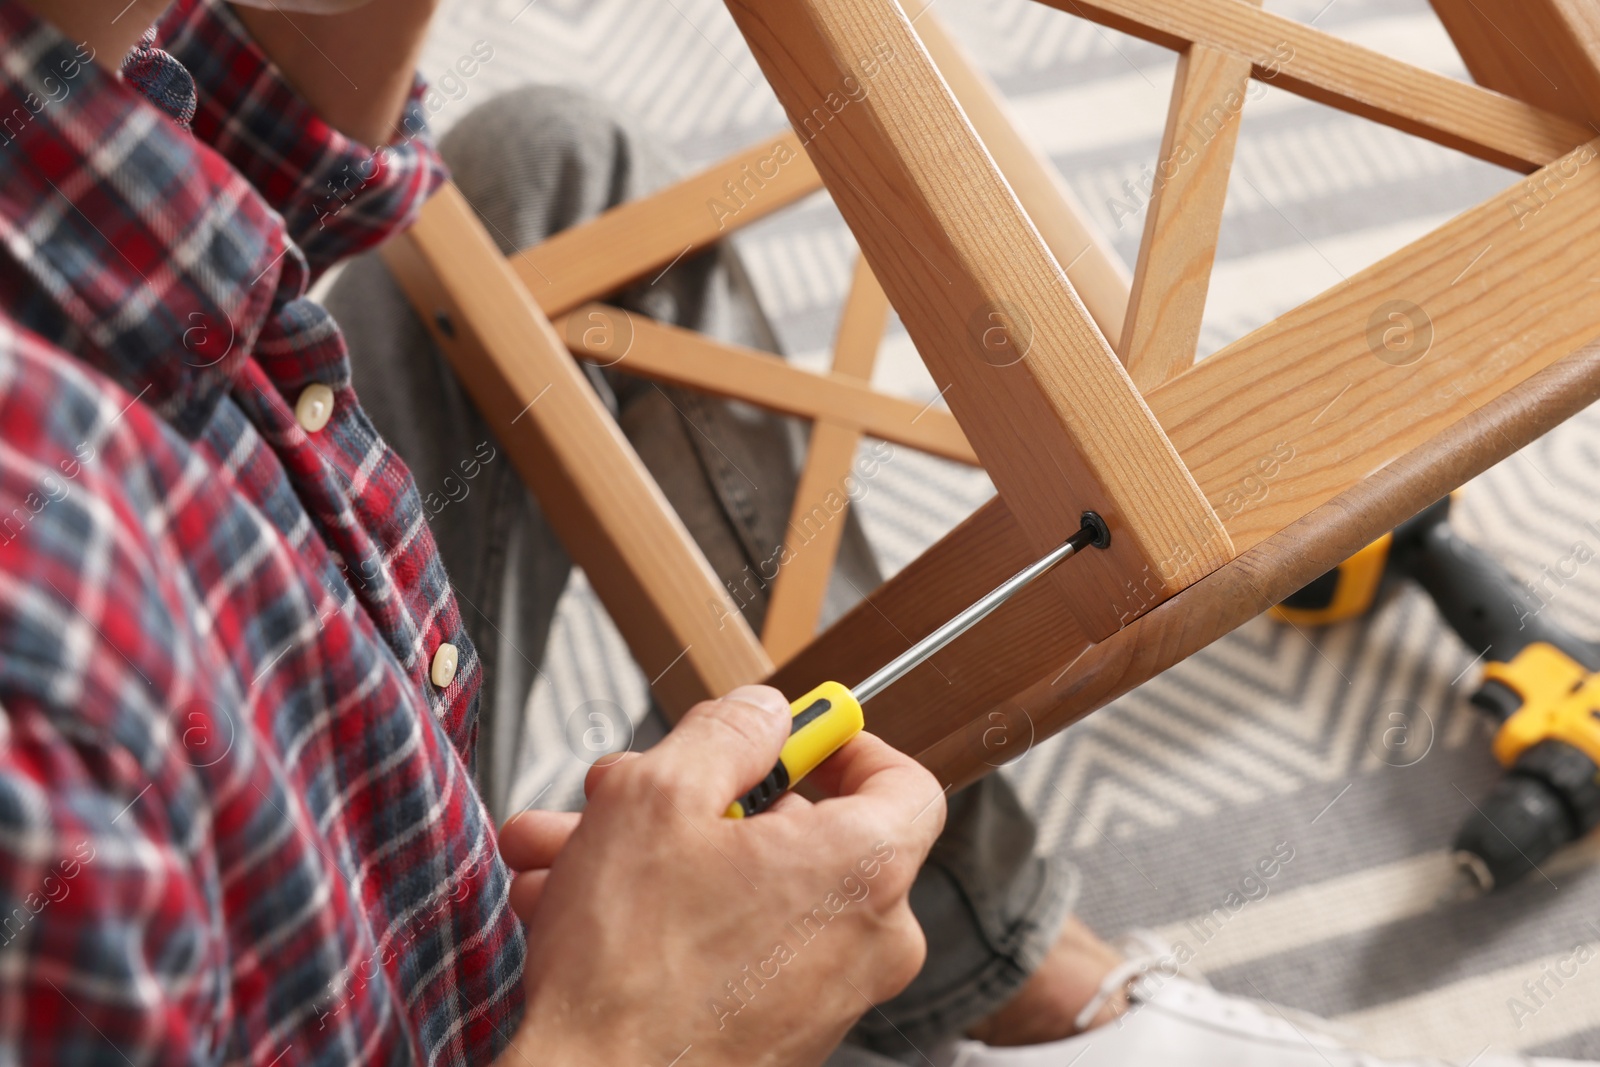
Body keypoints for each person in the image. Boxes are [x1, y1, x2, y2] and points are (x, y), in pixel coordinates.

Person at [0, 0, 1588, 1063]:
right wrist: (635, 1026)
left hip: (298, 863)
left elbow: (154, 202)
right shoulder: (38, 638)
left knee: (548, 163)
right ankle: (1040, 989)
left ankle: (991, 955)